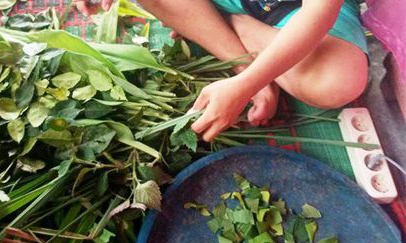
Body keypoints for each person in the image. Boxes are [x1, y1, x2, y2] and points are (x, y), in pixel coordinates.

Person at [77, 0, 369, 142]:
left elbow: (319, 12)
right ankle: (240, 57)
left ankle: (230, 25)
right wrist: (249, 77)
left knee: (338, 81)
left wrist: (246, 86)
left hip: (297, 9)